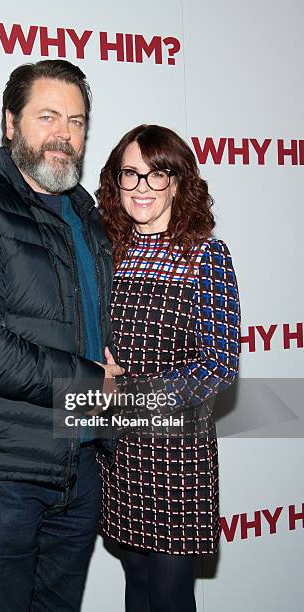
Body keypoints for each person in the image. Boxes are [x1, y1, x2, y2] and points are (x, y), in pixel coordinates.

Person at [0, 59, 123, 612]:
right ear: (11, 123)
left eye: (77, 121)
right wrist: (90, 383)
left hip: (81, 468)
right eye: (48, 116)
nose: (64, 133)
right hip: (1, 472)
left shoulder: (88, 216)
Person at [96, 124, 240, 612]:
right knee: (135, 577)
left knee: (169, 590)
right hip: (118, 444)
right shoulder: (109, 252)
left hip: (176, 447)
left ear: (179, 182)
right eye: (130, 174)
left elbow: (219, 364)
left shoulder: (205, 254)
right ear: (116, 182)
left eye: (157, 175)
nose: (141, 188)